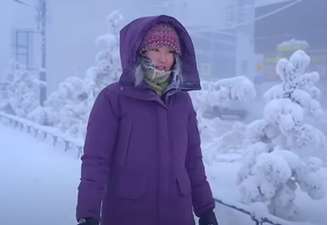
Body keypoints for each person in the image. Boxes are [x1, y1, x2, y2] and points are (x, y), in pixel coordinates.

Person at [76, 15, 218, 225]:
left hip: (177, 215)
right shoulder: (113, 99)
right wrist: (88, 214)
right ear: (141, 52)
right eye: (156, 50)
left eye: (170, 51)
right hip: (127, 214)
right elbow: (96, 161)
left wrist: (206, 210)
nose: (163, 58)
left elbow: (193, 160)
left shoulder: (182, 102)